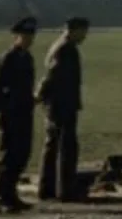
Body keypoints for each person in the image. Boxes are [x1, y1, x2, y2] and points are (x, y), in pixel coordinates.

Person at [35, 16, 89, 202]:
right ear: (75, 30)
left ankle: (46, 188)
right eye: (83, 32)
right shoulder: (67, 49)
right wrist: (40, 94)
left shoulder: (57, 46)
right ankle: (66, 191)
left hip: (54, 105)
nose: (85, 36)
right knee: (67, 148)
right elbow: (52, 75)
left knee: (52, 146)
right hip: (63, 106)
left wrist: (41, 97)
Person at [0, 16, 38, 213]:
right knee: (9, 157)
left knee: (21, 155)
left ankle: (12, 195)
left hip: (25, 112)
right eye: (25, 36)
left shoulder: (27, 58)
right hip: (11, 114)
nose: (28, 39)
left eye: (31, 36)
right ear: (17, 36)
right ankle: (2, 198)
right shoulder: (8, 58)